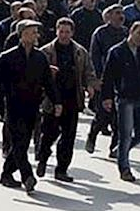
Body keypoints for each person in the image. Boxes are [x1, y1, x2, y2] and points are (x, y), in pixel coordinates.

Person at [0, 20, 60, 192]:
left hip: (32, 106)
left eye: (36, 32)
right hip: (14, 106)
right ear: (22, 35)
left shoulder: (40, 57)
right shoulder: (7, 57)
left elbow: (48, 82)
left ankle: (6, 174)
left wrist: (56, 102)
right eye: (32, 32)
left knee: (22, 143)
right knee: (18, 141)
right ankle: (27, 176)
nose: (36, 35)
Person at [37, 18, 99, 182]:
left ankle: (62, 169)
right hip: (52, 99)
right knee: (49, 133)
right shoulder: (46, 52)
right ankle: (42, 158)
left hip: (72, 98)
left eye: (67, 32)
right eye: (61, 31)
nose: (64, 35)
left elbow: (88, 71)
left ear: (72, 33)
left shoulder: (80, 52)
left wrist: (90, 85)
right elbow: (36, 75)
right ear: (56, 31)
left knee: (68, 136)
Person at [101, 22, 140, 182]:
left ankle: (120, 151)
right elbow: (108, 77)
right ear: (131, 32)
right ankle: (124, 168)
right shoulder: (117, 51)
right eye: (138, 34)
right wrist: (106, 97)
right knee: (125, 135)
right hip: (125, 98)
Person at [86, 5, 127, 157]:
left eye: (122, 13)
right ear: (109, 16)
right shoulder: (100, 33)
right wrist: (97, 78)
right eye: (117, 13)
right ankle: (93, 134)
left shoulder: (125, 33)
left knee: (119, 118)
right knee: (103, 114)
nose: (121, 16)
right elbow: (95, 56)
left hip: (121, 80)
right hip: (104, 79)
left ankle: (114, 147)